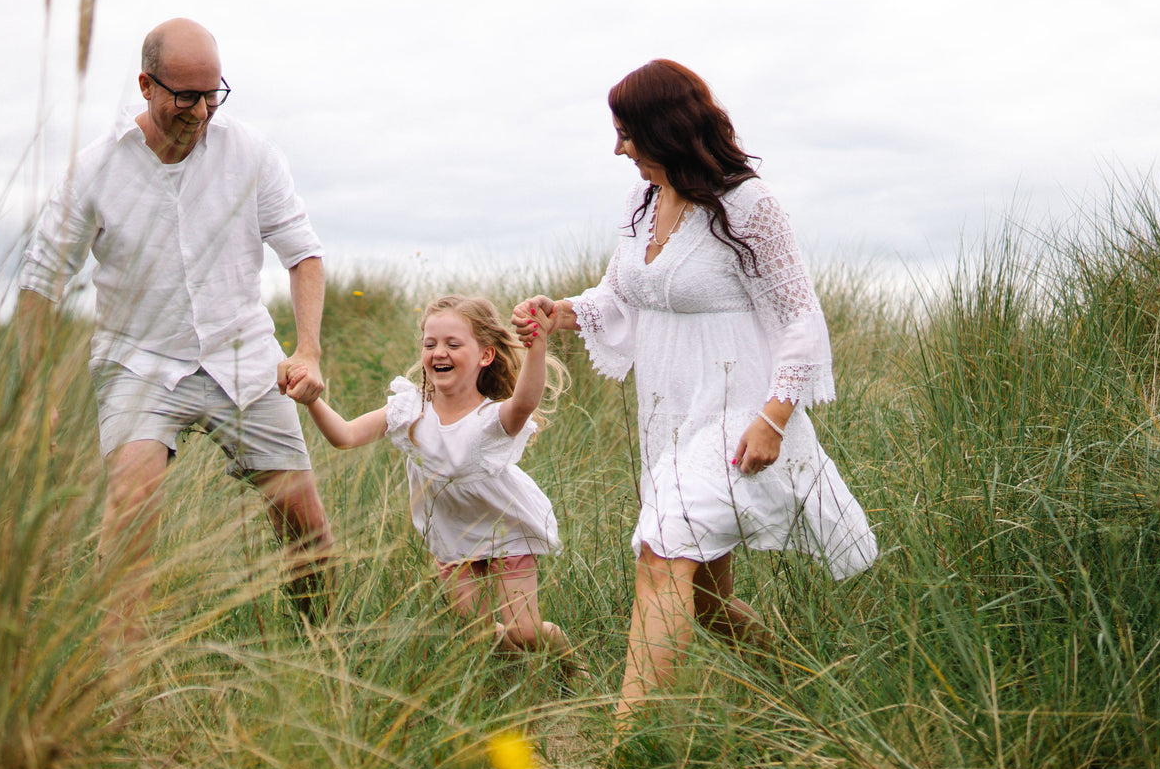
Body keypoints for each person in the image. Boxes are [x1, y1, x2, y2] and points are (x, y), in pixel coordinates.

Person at [512, 59, 877, 719]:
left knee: (661, 549)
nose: (617, 148)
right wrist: (558, 310)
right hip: (671, 419)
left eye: (626, 133)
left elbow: (802, 317)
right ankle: (815, 691)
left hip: (740, 414)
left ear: (666, 128)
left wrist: (772, 416)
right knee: (705, 600)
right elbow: (619, 296)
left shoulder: (747, 205)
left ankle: (626, 751)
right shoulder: (641, 204)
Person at [17, 17, 334, 646]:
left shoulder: (251, 154)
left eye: (213, 93)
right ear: (146, 85)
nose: (201, 111)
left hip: (241, 354)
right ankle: (119, 688)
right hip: (140, 363)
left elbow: (304, 255)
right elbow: (41, 283)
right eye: (184, 96)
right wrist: (35, 399)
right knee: (131, 513)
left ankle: (321, 657)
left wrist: (307, 349)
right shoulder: (96, 169)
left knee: (309, 533)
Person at [290, 295, 581, 681]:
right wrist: (312, 401)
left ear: (485, 356)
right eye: (430, 344)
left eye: (452, 344)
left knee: (524, 632)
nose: (438, 352)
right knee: (476, 635)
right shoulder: (410, 412)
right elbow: (343, 436)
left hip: (506, 530)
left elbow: (526, 401)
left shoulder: (490, 420)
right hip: (454, 538)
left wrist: (537, 344)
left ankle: (570, 666)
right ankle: (517, 691)